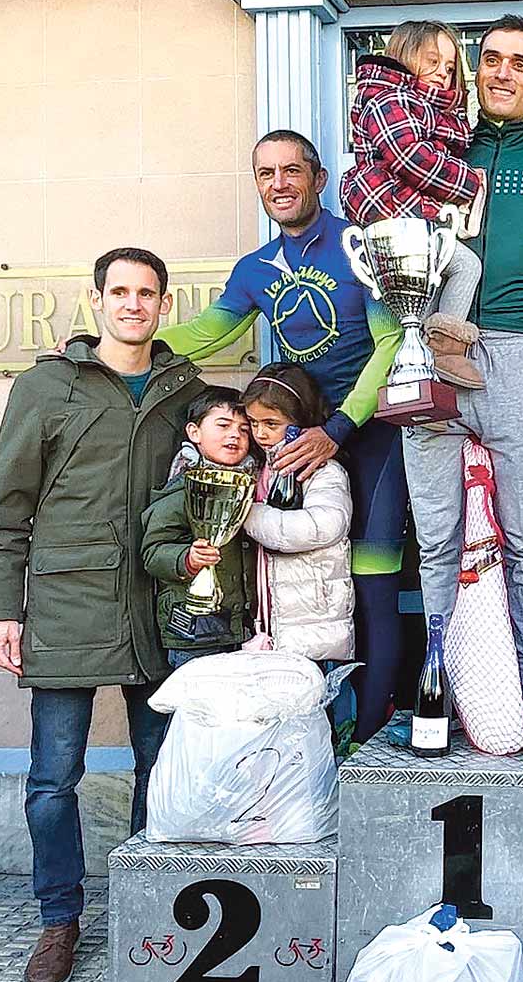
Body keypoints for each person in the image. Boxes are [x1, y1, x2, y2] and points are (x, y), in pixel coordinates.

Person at [0, 246, 205, 982]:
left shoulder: (185, 392)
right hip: (69, 602)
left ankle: (147, 911)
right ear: (98, 301)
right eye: (121, 292)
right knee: (52, 778)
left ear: (165, 305)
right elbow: (4, 507)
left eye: (148, 293)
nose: (134, 304)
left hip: (159, 604)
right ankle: (58, 919)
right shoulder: (46, 387)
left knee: (161, 768)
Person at [156, 131, 406, 743]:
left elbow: (392, 342)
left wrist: (340, 428)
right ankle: (314, 736)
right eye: (265, 173)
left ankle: (371, 741)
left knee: (372, 584)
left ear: (318, 179)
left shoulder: (358, 248)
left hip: (371, 440)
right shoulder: (253, 270)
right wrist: (108, 342)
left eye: (292, 171)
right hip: (296, 446)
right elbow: (203, 335)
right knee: (292, 588)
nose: (279, 184)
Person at [399, 14, 523, 750]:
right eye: (492, 60)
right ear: (475, 70)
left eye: (521, 63)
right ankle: (441, 686)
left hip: (519, 353)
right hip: (430, 343)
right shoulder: (434, 142)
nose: (504, 72)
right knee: (437, 540)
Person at [339, 19, 486, 390]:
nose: (442, 74)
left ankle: (424, 370)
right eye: (432, 61)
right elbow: (411, 158)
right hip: (397, 218)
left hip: (407, 215)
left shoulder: (418, 107)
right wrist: (469, 182)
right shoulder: (392, 99)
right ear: (405, 58)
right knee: (465, 265)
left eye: (450, 68)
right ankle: (445, 352)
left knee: (430, 289)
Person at [240, 364, 356, 666]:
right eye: (253, 423)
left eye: (271, 423)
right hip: (265, 623)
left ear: (299, 421)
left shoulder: (322, 471)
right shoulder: (255, 467)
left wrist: (246, 514)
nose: (261, 433)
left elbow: (321, 526)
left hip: (309, 622)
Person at [140, 388, 260, 669]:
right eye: (223, 425)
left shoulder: (251, 484)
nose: (235, 435)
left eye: (244, 429)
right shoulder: (183, 488)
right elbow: (153, 550)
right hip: (193, 629)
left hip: (241, 628)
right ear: (194, 432)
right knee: (195, 710)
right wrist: (187, 559)